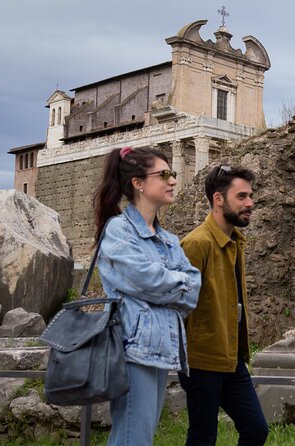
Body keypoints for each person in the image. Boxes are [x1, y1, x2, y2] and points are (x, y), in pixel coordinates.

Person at [93, 146, 201, 446]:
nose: (173, 180)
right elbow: (145, 280)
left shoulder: (167, 239)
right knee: (132, 439)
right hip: (132, 349)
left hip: (159, 349)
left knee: (140, 438)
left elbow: (194, 287)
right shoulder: (118, 230)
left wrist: (169, 286)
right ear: (138, 183)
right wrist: (175, 285)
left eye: (173, 173)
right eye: (163, 174)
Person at [179, 164, 269, 446]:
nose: (250, 203)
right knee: (203, 438)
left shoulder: (235, 240)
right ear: (218, 199)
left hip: (232, 359)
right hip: (201, 362)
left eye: (250, 196)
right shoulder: (195, 244)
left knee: (256, 429)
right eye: (241, 197)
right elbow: (178, 307)